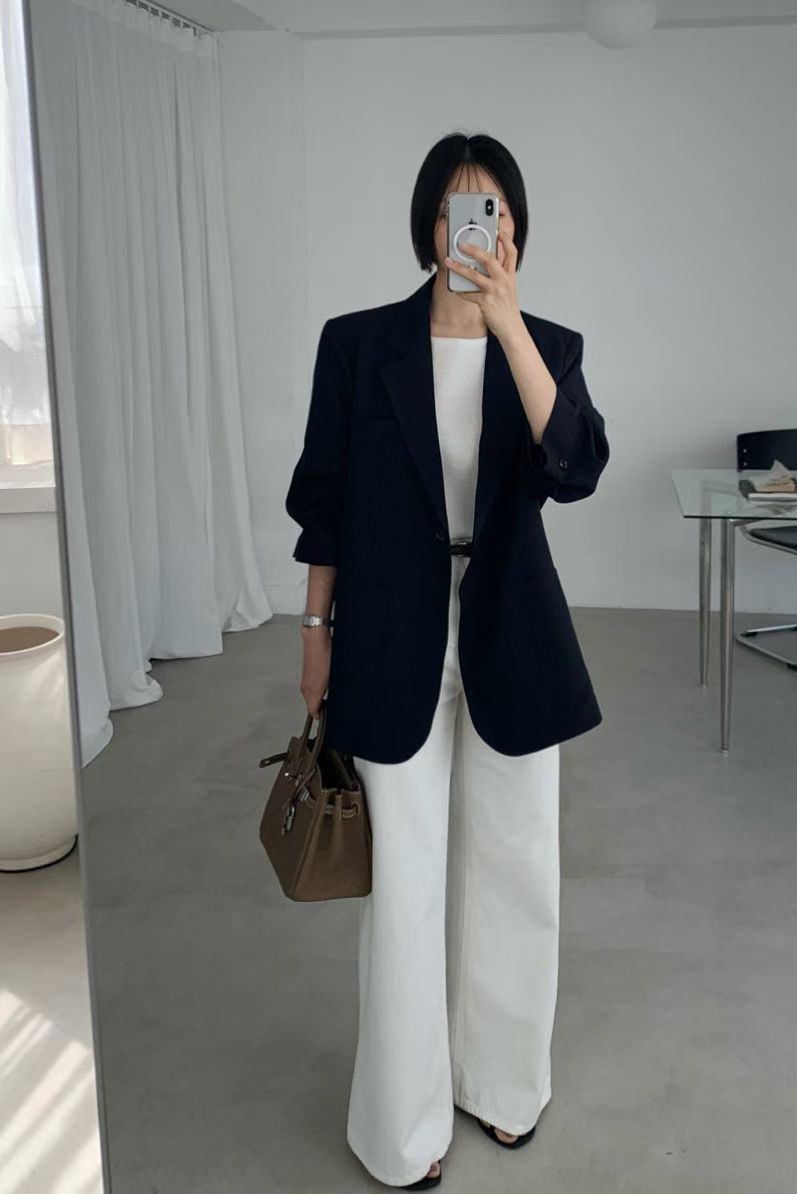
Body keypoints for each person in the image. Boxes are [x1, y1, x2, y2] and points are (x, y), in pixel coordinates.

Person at [286, 132, 610, 1189]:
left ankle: (502, 1084)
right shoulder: (357, 344)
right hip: (389, 631)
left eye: (491, 211)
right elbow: (324, 503)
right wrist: (314, 633)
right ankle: (403, 1123)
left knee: (516, 866)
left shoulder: (546, 346)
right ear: (428, 225)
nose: (471, 228)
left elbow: (577, 467)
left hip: (511, 630)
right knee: (406, 883)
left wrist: (507, 323)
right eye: (454, 210)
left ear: (514, 230)